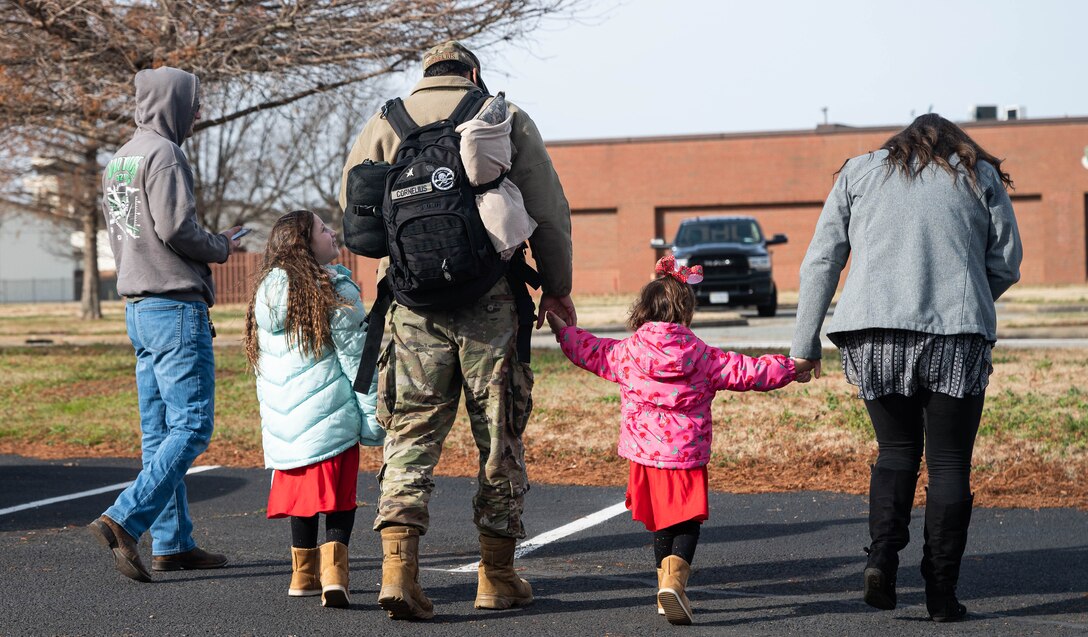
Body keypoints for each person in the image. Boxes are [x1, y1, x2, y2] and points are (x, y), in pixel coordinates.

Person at [338, 41, 575, 620]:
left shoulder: (383, 122)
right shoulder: (503, 116)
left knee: (410, 437)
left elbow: (355, 216)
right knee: (498, 437)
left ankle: (398, 571)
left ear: (424, 77)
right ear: (472, 73)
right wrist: (558, 287)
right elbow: (547, 211)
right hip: (489, 304)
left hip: (412, 305)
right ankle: (495, 576)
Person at [790, 113, 1022, 622]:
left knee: (895, 451)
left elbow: (822, 259)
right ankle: (941, 594)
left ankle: (881, 560)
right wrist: (971, 300)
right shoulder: (977, 174)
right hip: (956, 339)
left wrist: (803, 345)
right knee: (948, 465)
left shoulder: (859, 172)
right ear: (956, 142)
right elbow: (1006, 262)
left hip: (874, 335)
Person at [546, 255, 812, 625]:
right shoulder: (702, 355)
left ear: (643, 311)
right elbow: (748, 371)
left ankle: (664, 591)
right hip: (684, 455)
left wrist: (562, 330)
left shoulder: (627, 353)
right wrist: (791, 366)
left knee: (661, 523)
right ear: (685, 312)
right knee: (686, 521)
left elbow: (590, 350)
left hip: (644, 455)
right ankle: (673, 583)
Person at [90, 66, 241, 581]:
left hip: (138, 309)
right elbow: (176, 228)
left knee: (159, 434)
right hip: (174, 307)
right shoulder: (164, 154)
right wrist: (221, 245)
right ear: (172, 103)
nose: (198, 112)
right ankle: (124, 519)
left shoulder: (118, 162)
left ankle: (172, 544)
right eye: (193, 102)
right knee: (193, 425)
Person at [242, 210, 384, 607]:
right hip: (331, 415)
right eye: (323, 228)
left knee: (303, 501)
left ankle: (302, 576)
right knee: (338, 499)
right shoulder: (332, 289)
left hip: (287, 426)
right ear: (305, 242)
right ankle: (335, 576)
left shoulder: (264, 295)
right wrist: (373, 416)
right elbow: (360, 360)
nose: (332, 232)